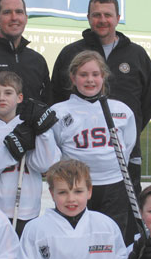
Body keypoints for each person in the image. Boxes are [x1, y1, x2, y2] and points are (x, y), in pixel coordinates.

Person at [50, 0, 151, 232]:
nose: (102, 20)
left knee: (118, 227)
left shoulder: (136, 54)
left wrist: (117, 136)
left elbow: (148, 101)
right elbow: (56, 97)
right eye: (96, 15)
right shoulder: (70, 53)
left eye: (107, 15)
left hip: (118, 161)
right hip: (76, 169)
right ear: (88, 17)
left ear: (118, 17)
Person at [49, 50, 136, 242]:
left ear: (103, 77)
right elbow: (53, 149)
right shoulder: (59, 111)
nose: (90, 80)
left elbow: (127, 145)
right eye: (83, 75)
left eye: (95, 74)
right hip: (75, 186)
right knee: (76, 238)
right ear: (73, 78)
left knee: (110, 238)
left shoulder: (121, 110)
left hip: (113, 185)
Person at [0, 71, 60, 236]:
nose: (2, 98)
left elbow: (46, 165)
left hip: (27, 211)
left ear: (19, 97)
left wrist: (43, 131)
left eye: (8, 93)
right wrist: (11, 149)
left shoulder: (30, 127)